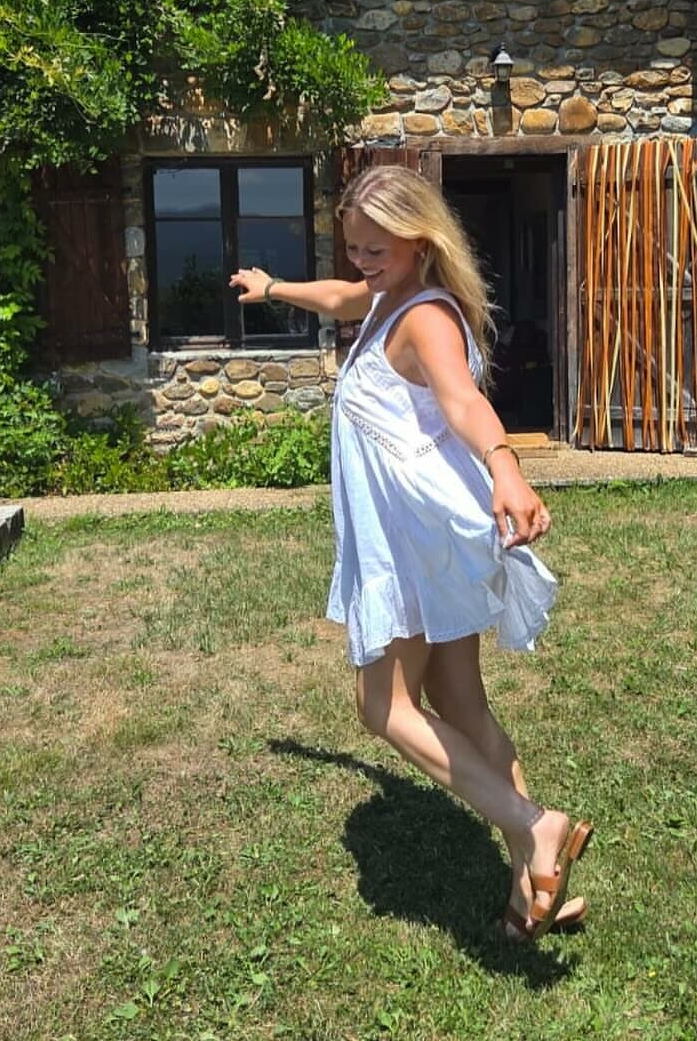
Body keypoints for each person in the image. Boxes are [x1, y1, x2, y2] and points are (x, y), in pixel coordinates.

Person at [229, 165, 592, 942]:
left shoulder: (425, 317)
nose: (361, 262)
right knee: (461, 705)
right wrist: (274, 287)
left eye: (376, 250)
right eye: (354, 247)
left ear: (421, 242)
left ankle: (536, 826)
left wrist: (506, 466)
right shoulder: (386, 295)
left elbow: (462, 399)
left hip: (410, 547)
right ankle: (533, 884)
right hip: (426, 537)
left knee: (382, 708)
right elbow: (340, 296)